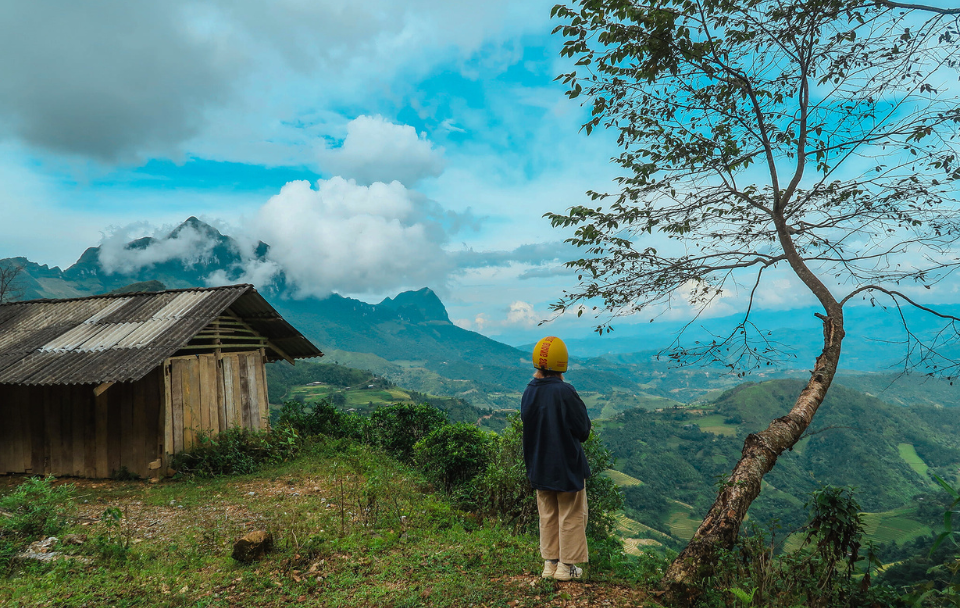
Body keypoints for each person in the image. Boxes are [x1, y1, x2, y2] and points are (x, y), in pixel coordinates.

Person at [520, 336, 591, 581]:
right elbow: (583, 430)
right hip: (566, 466)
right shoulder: (565, 391)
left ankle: (549, 565)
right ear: (562, 363)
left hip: (539, 464)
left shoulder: (529, 390)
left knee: (547, 514)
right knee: (571, 514)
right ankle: (566, 567)